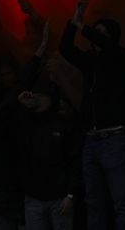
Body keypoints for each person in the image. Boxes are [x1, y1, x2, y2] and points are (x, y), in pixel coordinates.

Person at [59, 0, 125, 230]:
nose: (94, 36)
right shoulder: (90, 61)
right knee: (94, 202)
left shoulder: (120, 57)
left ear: (110, 37)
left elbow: (109, 47)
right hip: (92, 140)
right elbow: (66, 49)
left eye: (100, 33)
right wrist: (74, 21)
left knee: (121, 200)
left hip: (114, 138)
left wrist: (84, 27)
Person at [15, 86, 82, 230]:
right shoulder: (26, 122)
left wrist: (71, 194)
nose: (37, 98)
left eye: (41, 95)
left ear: (52, 99)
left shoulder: (64, 125)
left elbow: (75, 161)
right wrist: (23, 106)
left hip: (60, 198)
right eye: (35, 95)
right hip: (33, 197)